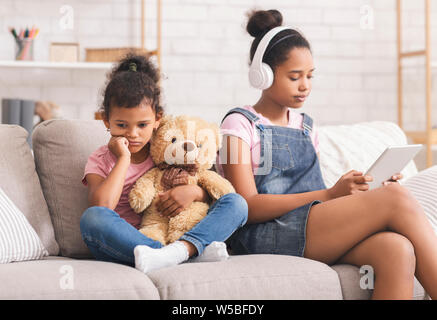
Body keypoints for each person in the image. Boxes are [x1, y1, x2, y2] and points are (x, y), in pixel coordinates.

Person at [217, 9, 437, 300]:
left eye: (309, 76)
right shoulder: (237, 125)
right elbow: (247, 206)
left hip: (310, 225)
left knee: (396, 249)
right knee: (396, 199)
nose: (305, 85)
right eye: (294, 77)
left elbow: (318, 200)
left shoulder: (307, 128)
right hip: (263, 233)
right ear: (263, 75)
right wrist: (331, 194)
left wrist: (359, 190)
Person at [80, 54, 248, 274]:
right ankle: (183, 252)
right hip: (128, 246)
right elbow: (101, 206)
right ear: (106, 120)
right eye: (121, 125)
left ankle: (177, 251)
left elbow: (206, 185)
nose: (133, 134)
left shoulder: (165, 150)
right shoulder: (100, 160)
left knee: (237, 204)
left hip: (174, 233)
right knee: (92, 218)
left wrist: (195, 192)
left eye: (142, 125)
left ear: (158, 119)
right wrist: (123, 159)